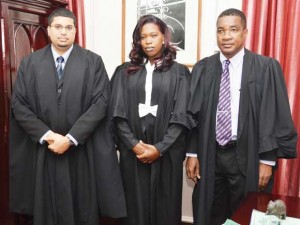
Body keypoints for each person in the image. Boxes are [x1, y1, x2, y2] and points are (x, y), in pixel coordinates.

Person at [9, 8, 126, 225]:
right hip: (45, 149)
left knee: (82, 207)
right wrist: (48, 135)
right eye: (58, 27)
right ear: (49, 30)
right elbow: (19, 104)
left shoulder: (93, 62)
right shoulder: (30, 63)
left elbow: (100, 104)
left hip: (80, 149)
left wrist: (70, 138)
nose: (64, 32)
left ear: (75, 31)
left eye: (69, 27)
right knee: (45, 209)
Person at [185, 8, 297, 225]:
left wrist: (267, 160)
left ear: (245, 33)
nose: (226, 36)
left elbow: (274, 116)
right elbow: (192, 115)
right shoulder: (203, 68)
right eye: (221, 31)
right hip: (210, 154)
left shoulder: (265, 67)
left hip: (248, 154)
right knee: (211, 212)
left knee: (246, 213)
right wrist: (192, 152)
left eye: (233, 30)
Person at [110, 15, 191, 225]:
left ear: (164, 37)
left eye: (153, 35)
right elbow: (117, 113)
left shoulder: (180, 73)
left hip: (166, 150)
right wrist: (134, 145)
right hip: (133, 150)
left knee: (165, 205)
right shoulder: (124, 71)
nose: (148, 41)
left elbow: (181, 116)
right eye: (143, 37)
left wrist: (160, 148)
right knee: (134, 205)